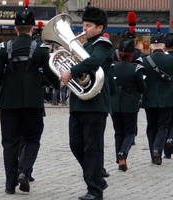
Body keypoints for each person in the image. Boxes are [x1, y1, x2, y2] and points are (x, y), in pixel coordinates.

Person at [0, 7, 60, 195]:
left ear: (15, 28)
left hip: (9, 102)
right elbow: (50, 74)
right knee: (33, 139)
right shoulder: (41, 50)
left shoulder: (4, 48)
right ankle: (24, 172)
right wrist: (60, 84)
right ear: (32, 28)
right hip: (33, 102)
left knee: (9, 143)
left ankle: (10, 184)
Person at [60, 6, 113, 200]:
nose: (84, 29)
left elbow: (95, 61)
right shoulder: (84, 45)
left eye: (88, 25)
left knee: (92, 147)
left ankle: (94, 191)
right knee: (75, 144)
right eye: (83, 25)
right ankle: (97, 178)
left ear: (99, 28)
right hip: (79, 102)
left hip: (96, 104)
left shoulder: (103, 44)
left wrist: (71, 72)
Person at [137, 33, 173, 165]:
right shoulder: (172, 59)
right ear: (163, 46)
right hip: (166, 98)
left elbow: (140, 79)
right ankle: (158, 149)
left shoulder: (143, 60)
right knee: (163, 125)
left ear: (151, 46)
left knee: (151, 126)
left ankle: (153, 154)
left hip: (149, 97)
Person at [110, 38, 146, 172]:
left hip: (114, 103)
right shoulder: (136, 68)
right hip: (130, 103)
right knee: (130, 133)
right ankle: (123, 153)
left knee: (118, 132)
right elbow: (142, 87)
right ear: (132, 55)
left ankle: (119, 159)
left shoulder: (113, 67)